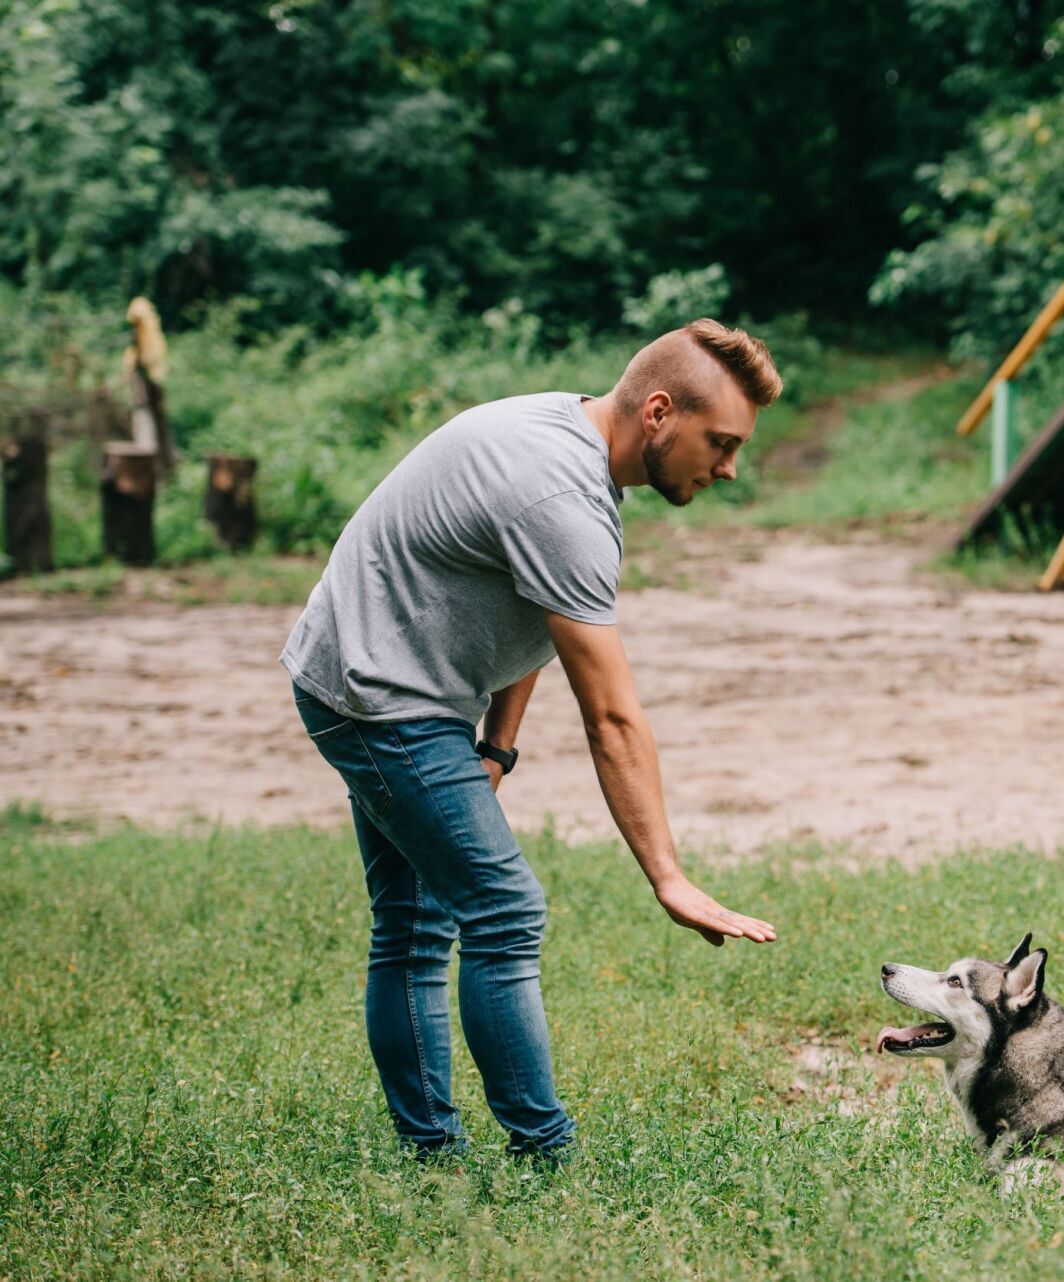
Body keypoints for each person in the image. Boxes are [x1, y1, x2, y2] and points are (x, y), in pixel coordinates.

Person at [280, 319, 781, 1161]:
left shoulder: (570, 437)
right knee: (504, 911)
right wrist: (669, 877)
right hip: (380, 697)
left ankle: (431, 1154)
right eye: (721, 443)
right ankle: (544, 1154)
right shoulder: (559, 498)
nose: (728, 468)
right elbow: (612, 717)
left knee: (415, 923)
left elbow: (530, 608)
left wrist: (497, 746)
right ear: (660, 412)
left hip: (377, 671)